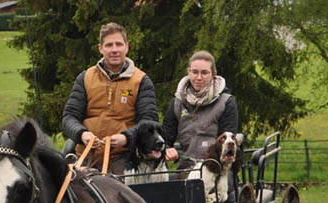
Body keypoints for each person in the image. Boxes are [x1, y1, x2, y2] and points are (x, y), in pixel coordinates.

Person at [62, 22, 158, 172]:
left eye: (119, 44)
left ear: (127, 47)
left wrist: (126, 138)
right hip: (85, 157)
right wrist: (82, 134)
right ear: (100, 48)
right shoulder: (85, 77)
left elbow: (149, 122)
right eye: (109, 45)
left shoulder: (141, 81)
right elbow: (69, 117)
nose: (114, 50)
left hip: (123, 160)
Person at [163, 50, 239, 162]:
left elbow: (226, 142)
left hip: (216, 166)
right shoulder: (178, 102)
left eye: (204, 73)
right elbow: (165, 136)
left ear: (213, 74)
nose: (199, 77)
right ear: (188, 72)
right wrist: (167, 148)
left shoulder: (226, 102)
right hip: (186, 165)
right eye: (194, 72)